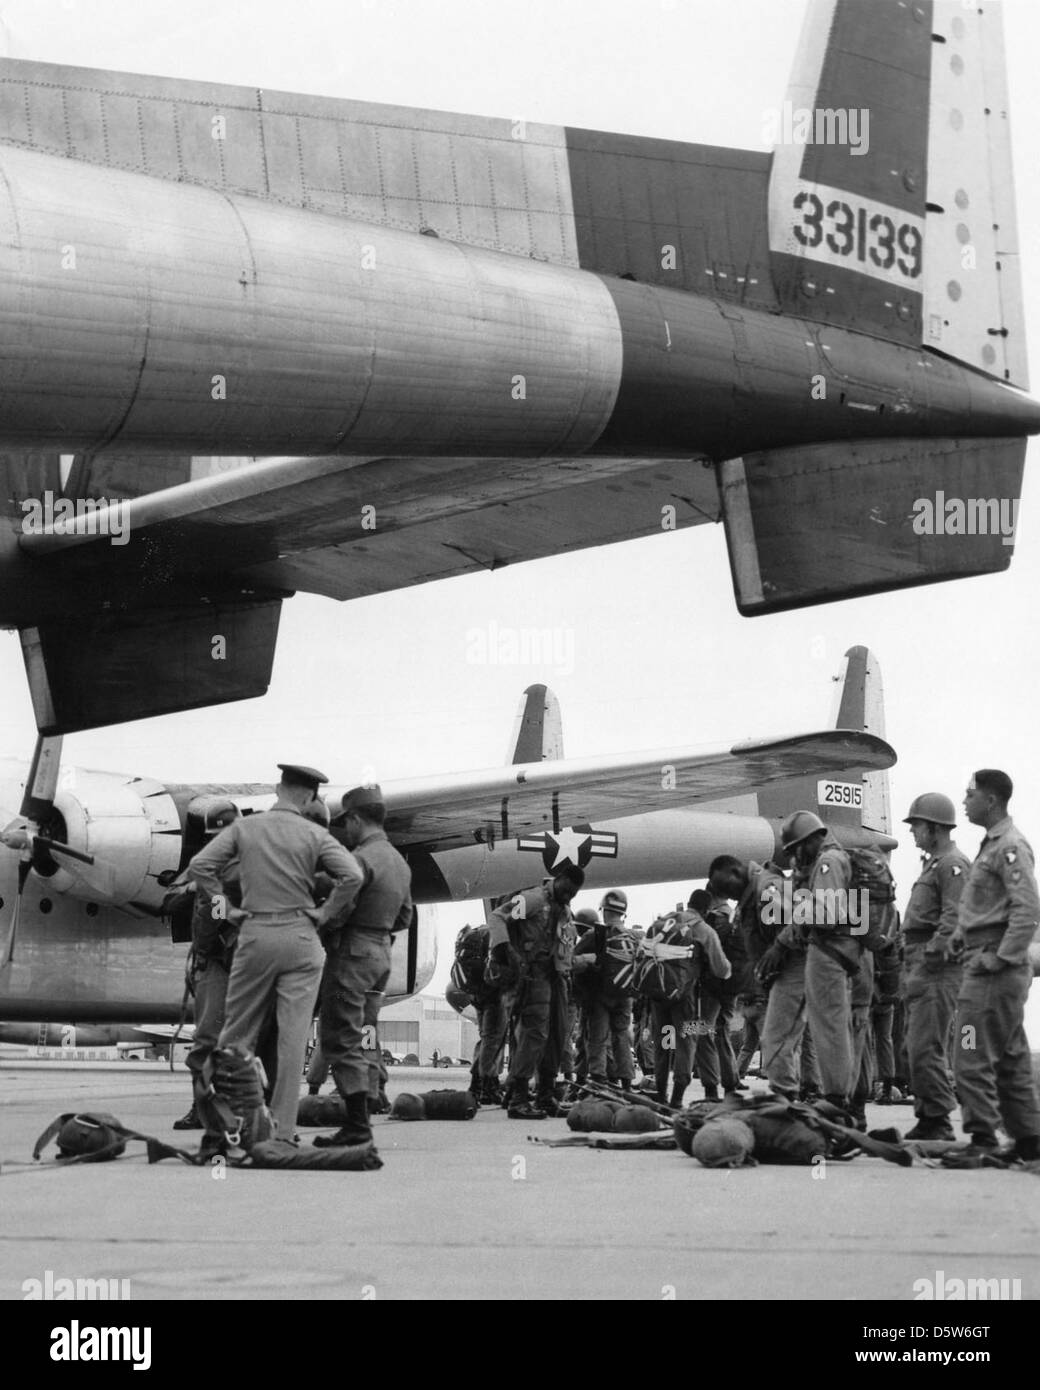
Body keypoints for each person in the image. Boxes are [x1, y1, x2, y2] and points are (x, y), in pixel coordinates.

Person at [188, 765, 364, 1146]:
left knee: (235, 1035)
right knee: (292, 1039)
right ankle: (283, 1133)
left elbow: (200, 866)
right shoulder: (314, 834)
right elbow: (352, 876)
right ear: (309, 797)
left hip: (254, 935)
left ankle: (227, 1125)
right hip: (301, 938)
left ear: (278, 789)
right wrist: (324, 912)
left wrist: (225, 907)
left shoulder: (244, 829)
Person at [944, 770, 1040, 1167]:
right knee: (1012, 1055)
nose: (964, 801)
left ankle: (982, 1136)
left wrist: (1002, 956)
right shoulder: (992, 845)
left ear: (992, 800)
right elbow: (993, 907)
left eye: (970, 794)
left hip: (991, 974)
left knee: (968, 1048)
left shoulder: (1009, 847)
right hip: (987, 965)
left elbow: (1028, 907)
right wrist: (960, 935)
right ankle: (1029, 1140)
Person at [314, 784, 413, 1148]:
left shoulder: (360, 859)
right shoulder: (399, 862)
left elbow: (342, 909)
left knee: (339, 1035)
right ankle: (360, 1115)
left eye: (347, 822)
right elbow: (405, 916)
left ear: (356, 819)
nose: (346, 830)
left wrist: (322, 921)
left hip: (351, 956)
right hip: (379, 954)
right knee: (356, 1030)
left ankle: (356, 1123)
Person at [780, 810, 863, 1116]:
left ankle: (837, 1098)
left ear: (811, 840)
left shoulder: (828, 863)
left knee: (829, 1027)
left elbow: (826, 915)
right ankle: (840, 1097)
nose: (796, 856)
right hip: (834, 953)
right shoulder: (830, 861)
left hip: (829, 954)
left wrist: (794, 905)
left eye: (797, 849)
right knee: (831, 1026)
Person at [898, 793, 969, 1141]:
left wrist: (930, 958)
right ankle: (929, 1115)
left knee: (926, 1044)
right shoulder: (935, 863)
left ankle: (938, 1120)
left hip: (936, 966)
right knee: (916, 1044)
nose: (913, 832)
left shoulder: (951, 864)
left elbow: (955, 917)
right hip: (921, 963)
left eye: (917, 825)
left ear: (936, 828)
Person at [168, 800, 241, 1129]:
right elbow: (174, 897)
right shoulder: (242, 863)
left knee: (208, 1039)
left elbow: (212, 912)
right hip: (240, 961)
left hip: (218, 962)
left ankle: (204, 1108)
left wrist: (204, 949)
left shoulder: (216, 867)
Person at [489, 867, 584, 1119]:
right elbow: (498, 917)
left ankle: (546, 1095)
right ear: (559, 879)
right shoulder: (533, 900)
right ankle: (519, 1098)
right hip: (534, 976)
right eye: (566, 890)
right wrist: (506, 951)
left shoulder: (564, 910)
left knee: (557, 1035)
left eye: (573, 894)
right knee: (536, 1034)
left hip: (557, 978)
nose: (569, 897)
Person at [708, 854, 804, 1100]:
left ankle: (788, 1099)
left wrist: (778, 948)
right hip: (771, 982)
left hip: (790, 973)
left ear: (736, 872)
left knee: (775, 1041)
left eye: (727, 888)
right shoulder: (749, 895)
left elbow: (799, 920)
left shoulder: (766, 888)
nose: (728, 895)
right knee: (776, 1042)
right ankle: (789, 1096)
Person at [646, 899, 731, 1108]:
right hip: (685, 997)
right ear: (705, 910)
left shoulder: (666, 921)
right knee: (687, 1041)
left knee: (665, 1042)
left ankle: (661, 1093)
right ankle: (677, 1098)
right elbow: (721, 969)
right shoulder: (703, 930)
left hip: (660, 994)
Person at [689, 887, 746, 1099]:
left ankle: (710, 1086)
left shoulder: (712, 919)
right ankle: (731, 1081)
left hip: (712, 985)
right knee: (722, 1030)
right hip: (733, 986)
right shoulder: (736, 915)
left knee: (703, 1031)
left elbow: (705, 952)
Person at [581, 890, 636, 1091]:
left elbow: (572, 959)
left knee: (598, 1037)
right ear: (623, 913)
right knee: (621, 1037)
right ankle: (627, 1083)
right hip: (625, 995)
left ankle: (598, 1079)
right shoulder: (633, 936)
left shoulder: (593, 935)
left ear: (603, 910)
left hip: (600, 995)